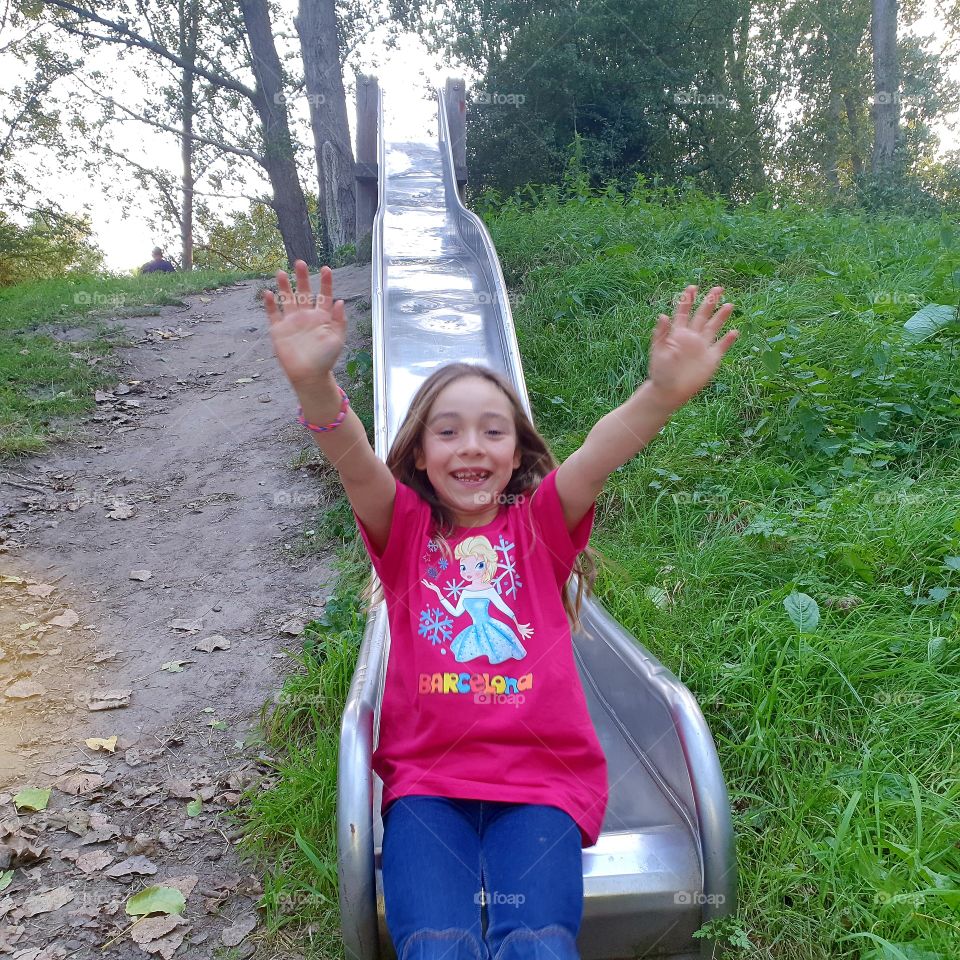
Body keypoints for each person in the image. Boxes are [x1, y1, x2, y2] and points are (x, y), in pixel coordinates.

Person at [263, 261, 738, 960]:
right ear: (421, 455)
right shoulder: (406, 535)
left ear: (517, 453)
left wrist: (660, 396)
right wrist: (313, 382)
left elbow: (598, 457)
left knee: (539, 942)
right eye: (448, 432)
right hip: (427, 789)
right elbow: (356, 460)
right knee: (436, 943)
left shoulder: (538, 526)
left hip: (541, 787)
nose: (472, 447)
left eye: (493, 431)